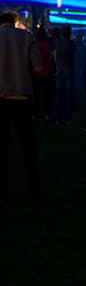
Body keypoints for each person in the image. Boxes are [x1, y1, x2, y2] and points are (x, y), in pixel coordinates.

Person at [0, 11, 41, 203]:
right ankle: (34, 188)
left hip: (1, 96)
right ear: (14, 22)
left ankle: (3, 191)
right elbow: (38, 67)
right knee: (28, 146)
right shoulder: (26, 37)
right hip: (22, 95)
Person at [53, 26, 75, 125]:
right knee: (68, 95)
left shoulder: (56, 43)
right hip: (68, 70)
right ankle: (68, 118)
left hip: (58, 70)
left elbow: (53, 55)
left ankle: (57, 118)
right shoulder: (71, 44)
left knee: (58, 95)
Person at [31, 27, 55, 120]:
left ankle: (34, 114)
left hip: (36, 72)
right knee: (47, 95)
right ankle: (46, 114)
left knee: (36, 95)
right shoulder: (48, 45)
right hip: (47, 72)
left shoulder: (34, 45)